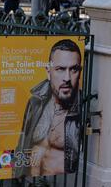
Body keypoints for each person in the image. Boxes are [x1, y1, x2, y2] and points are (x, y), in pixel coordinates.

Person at [14, 39, 83, 177]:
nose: (67, 78)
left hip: (60, 183)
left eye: (73, 69)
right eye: (60, 69)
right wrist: (15, 171)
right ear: (48, 71)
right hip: (28, 179)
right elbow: (22, 141)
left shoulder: (82, 107)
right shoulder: (36, 102)